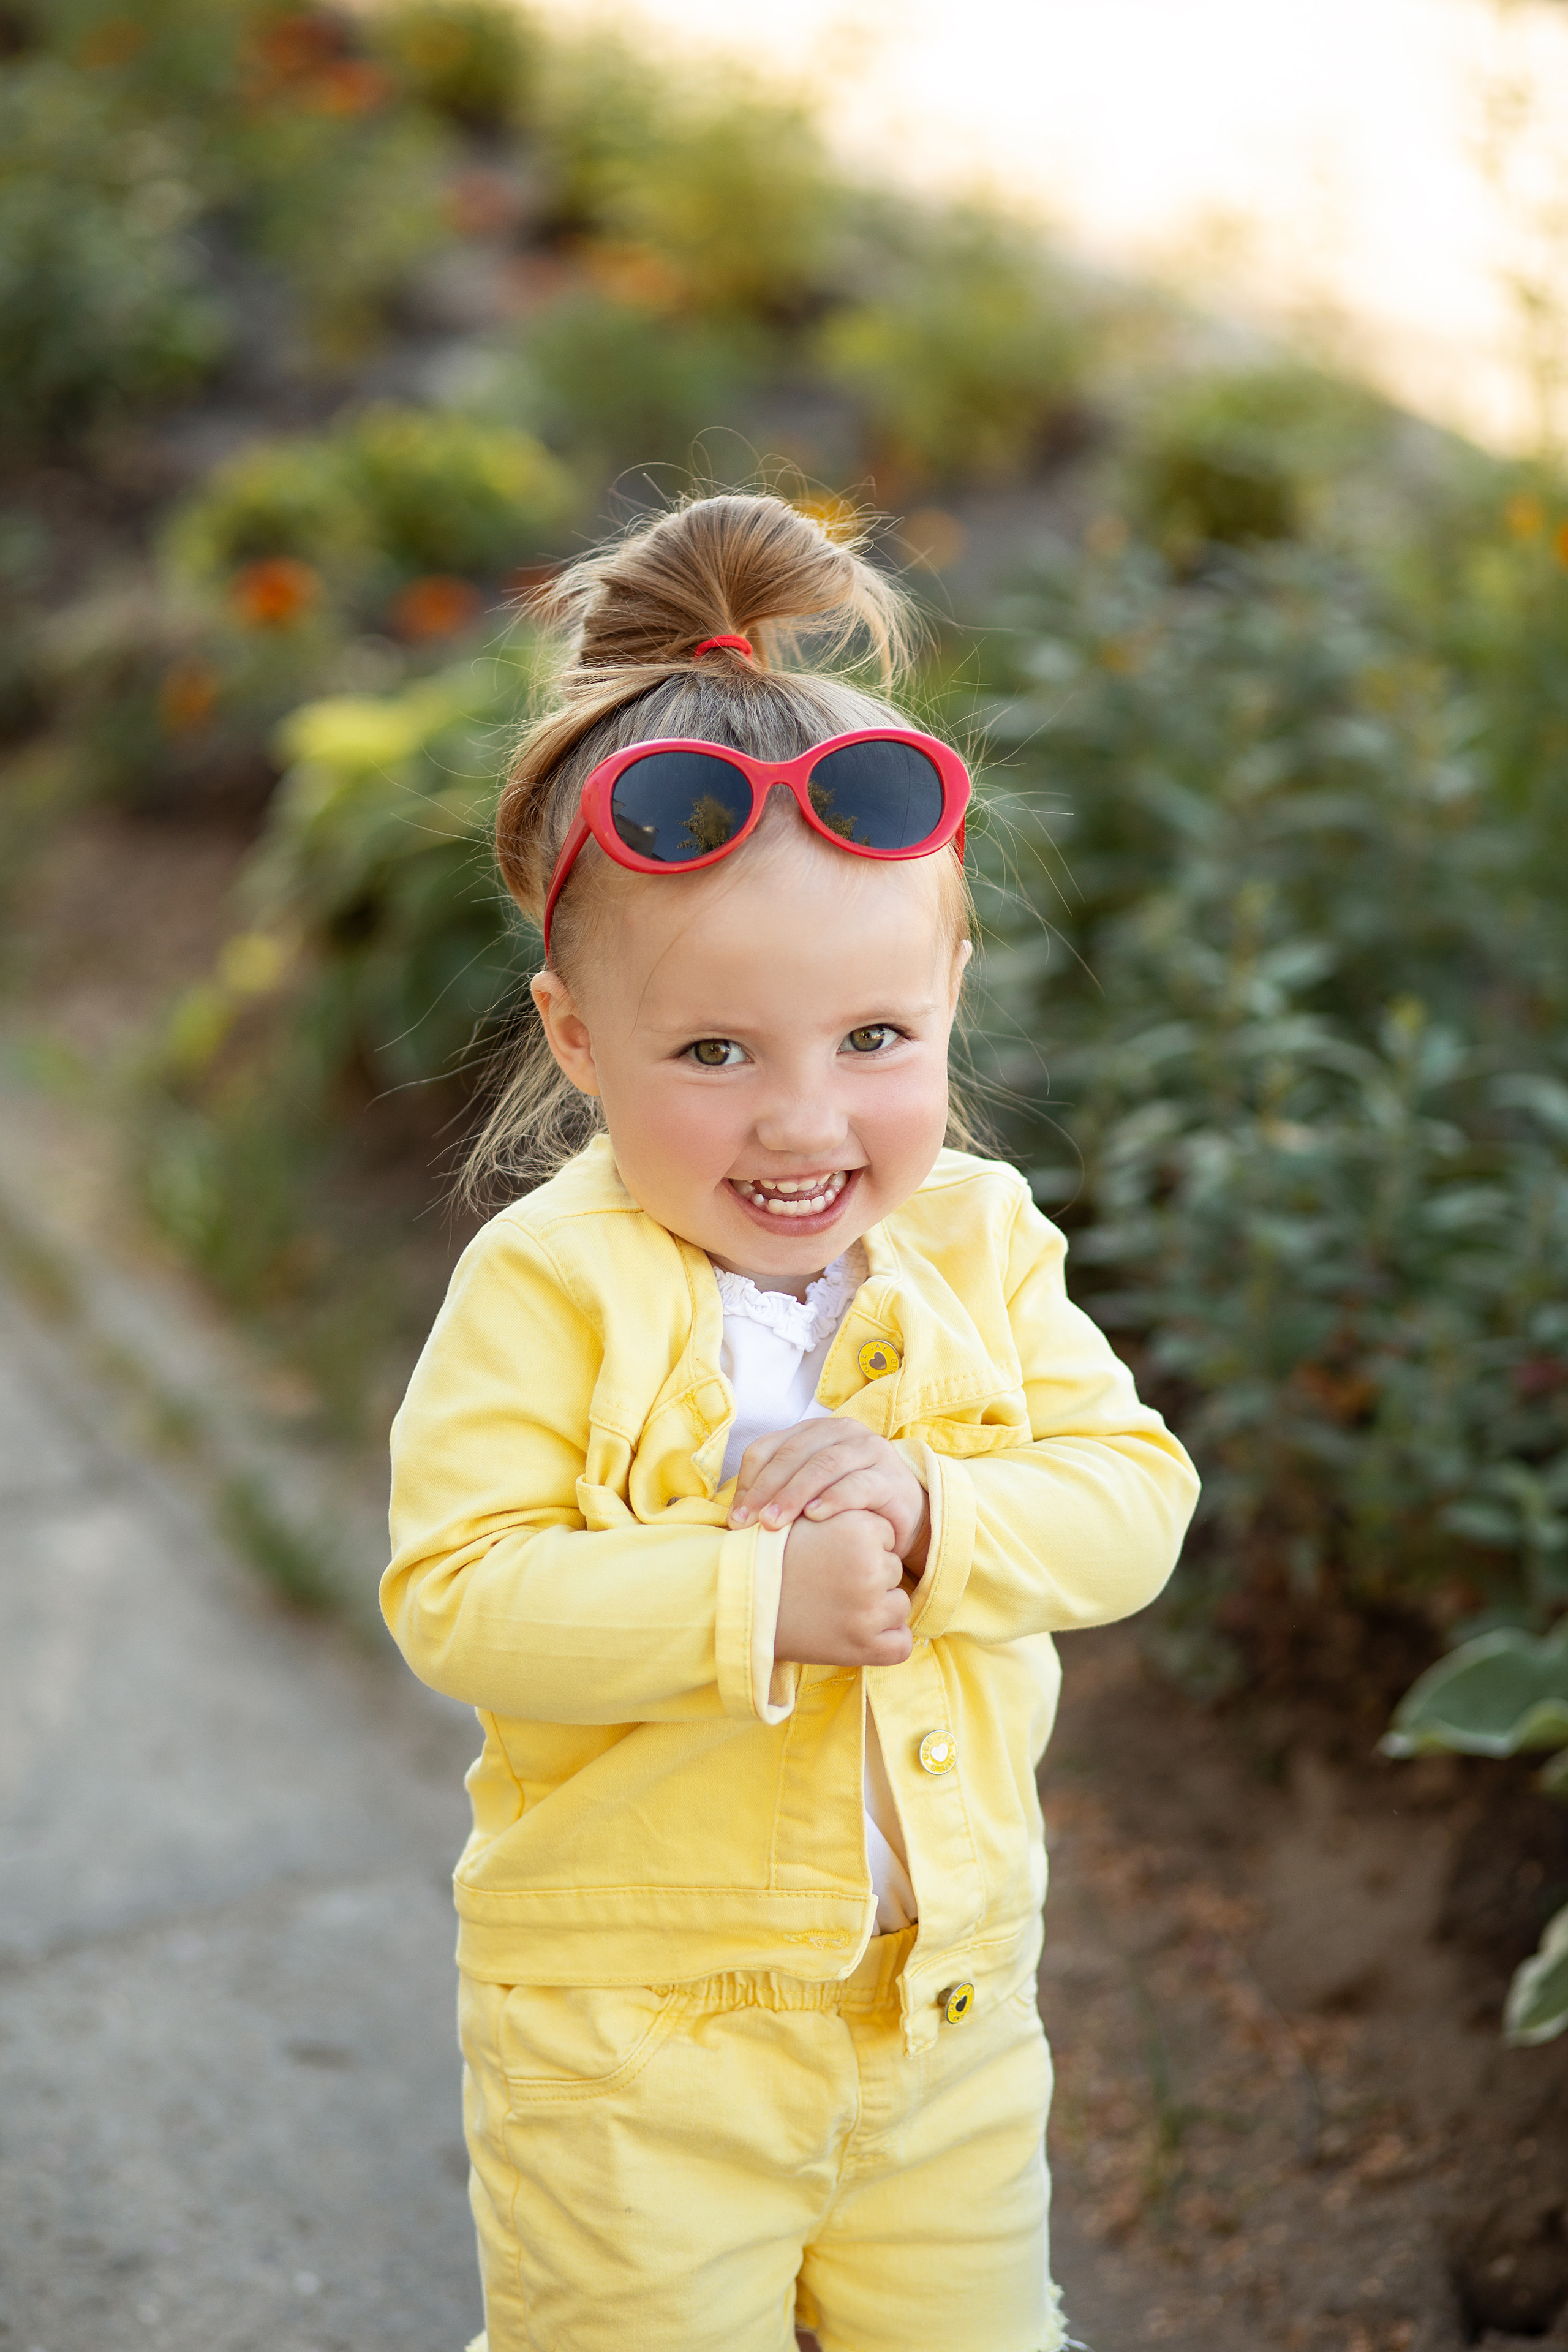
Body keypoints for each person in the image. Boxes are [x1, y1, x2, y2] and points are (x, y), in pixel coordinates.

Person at [382, 492, 1199, 2352]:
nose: (806, 1121)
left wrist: (932, 1510)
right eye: (714, 1052)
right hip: (633, 2052)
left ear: (950, 996)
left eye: (875, 1040)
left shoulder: (980, 1242)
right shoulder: (551, 1286)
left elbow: (1132, 1498)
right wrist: (749, 1600)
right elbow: (460, 1594)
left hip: (949, 2015)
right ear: (578, 1039)